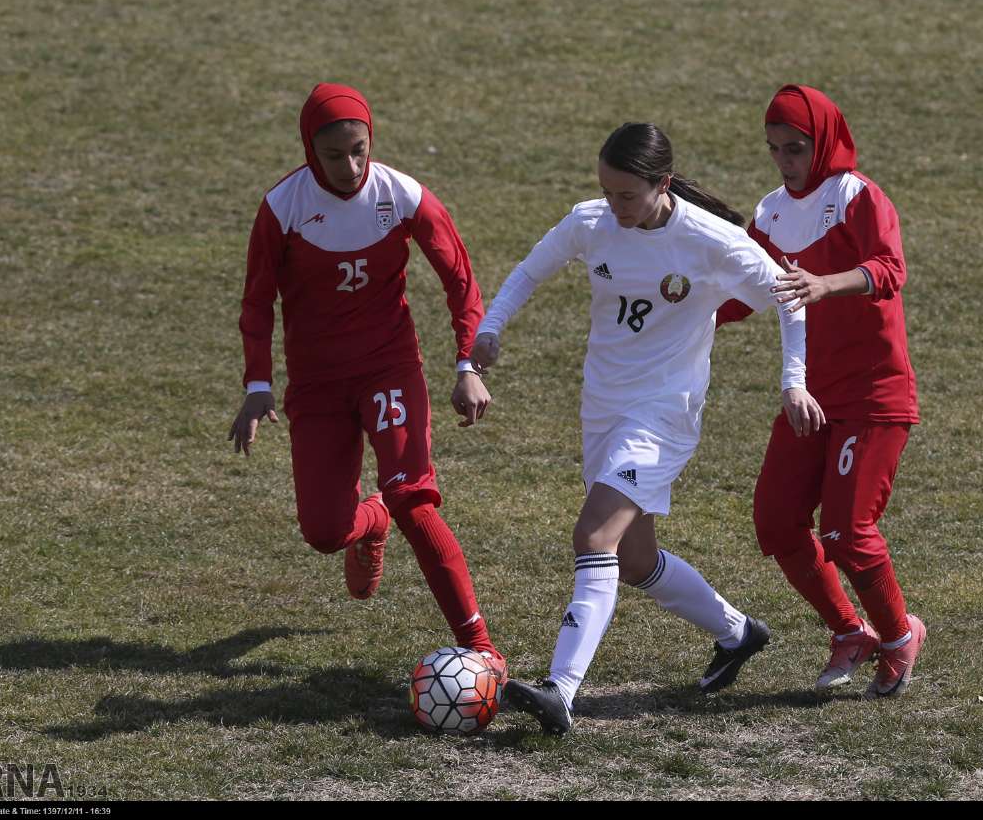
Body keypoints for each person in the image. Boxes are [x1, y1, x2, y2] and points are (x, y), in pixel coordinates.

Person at [471, 122, 819, 735]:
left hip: (664, 413)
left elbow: (791, 297)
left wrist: (794, 380)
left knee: (594, 535)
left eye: (626, 195)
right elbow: (528, 272)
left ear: (662, 186)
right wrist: (490, 331)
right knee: (634, 559)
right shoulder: (592, 222)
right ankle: (738, 634)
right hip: (602, 407)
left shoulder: (713, 242)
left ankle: (561, 689)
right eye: (607, 192)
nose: (614, 206)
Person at [229, 82, 506, 680]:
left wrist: (468, 366)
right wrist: (257, 386)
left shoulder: (402, 196)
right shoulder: (283, 208)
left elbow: (460, 279)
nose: (352, 166)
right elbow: (257, 302)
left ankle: (482, 647)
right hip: (319, 386)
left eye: (361, 149)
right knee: (326, 532)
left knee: (415, 498)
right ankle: (370, 520)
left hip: (389, 370)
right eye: (335, 155)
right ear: (309, 150)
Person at [717, 84, 924, 698]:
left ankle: (897, 635)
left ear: (825, 140)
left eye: (796, 148)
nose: (785, 161)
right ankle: (848, 630)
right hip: (812, 395)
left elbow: (891, 269)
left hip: (873, 392)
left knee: (846, 530)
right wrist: (686, 309)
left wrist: (823, 284)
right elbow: (749, 290)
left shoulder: (858, 197)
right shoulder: (773, 212)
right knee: (778, 522)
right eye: (775, 150)